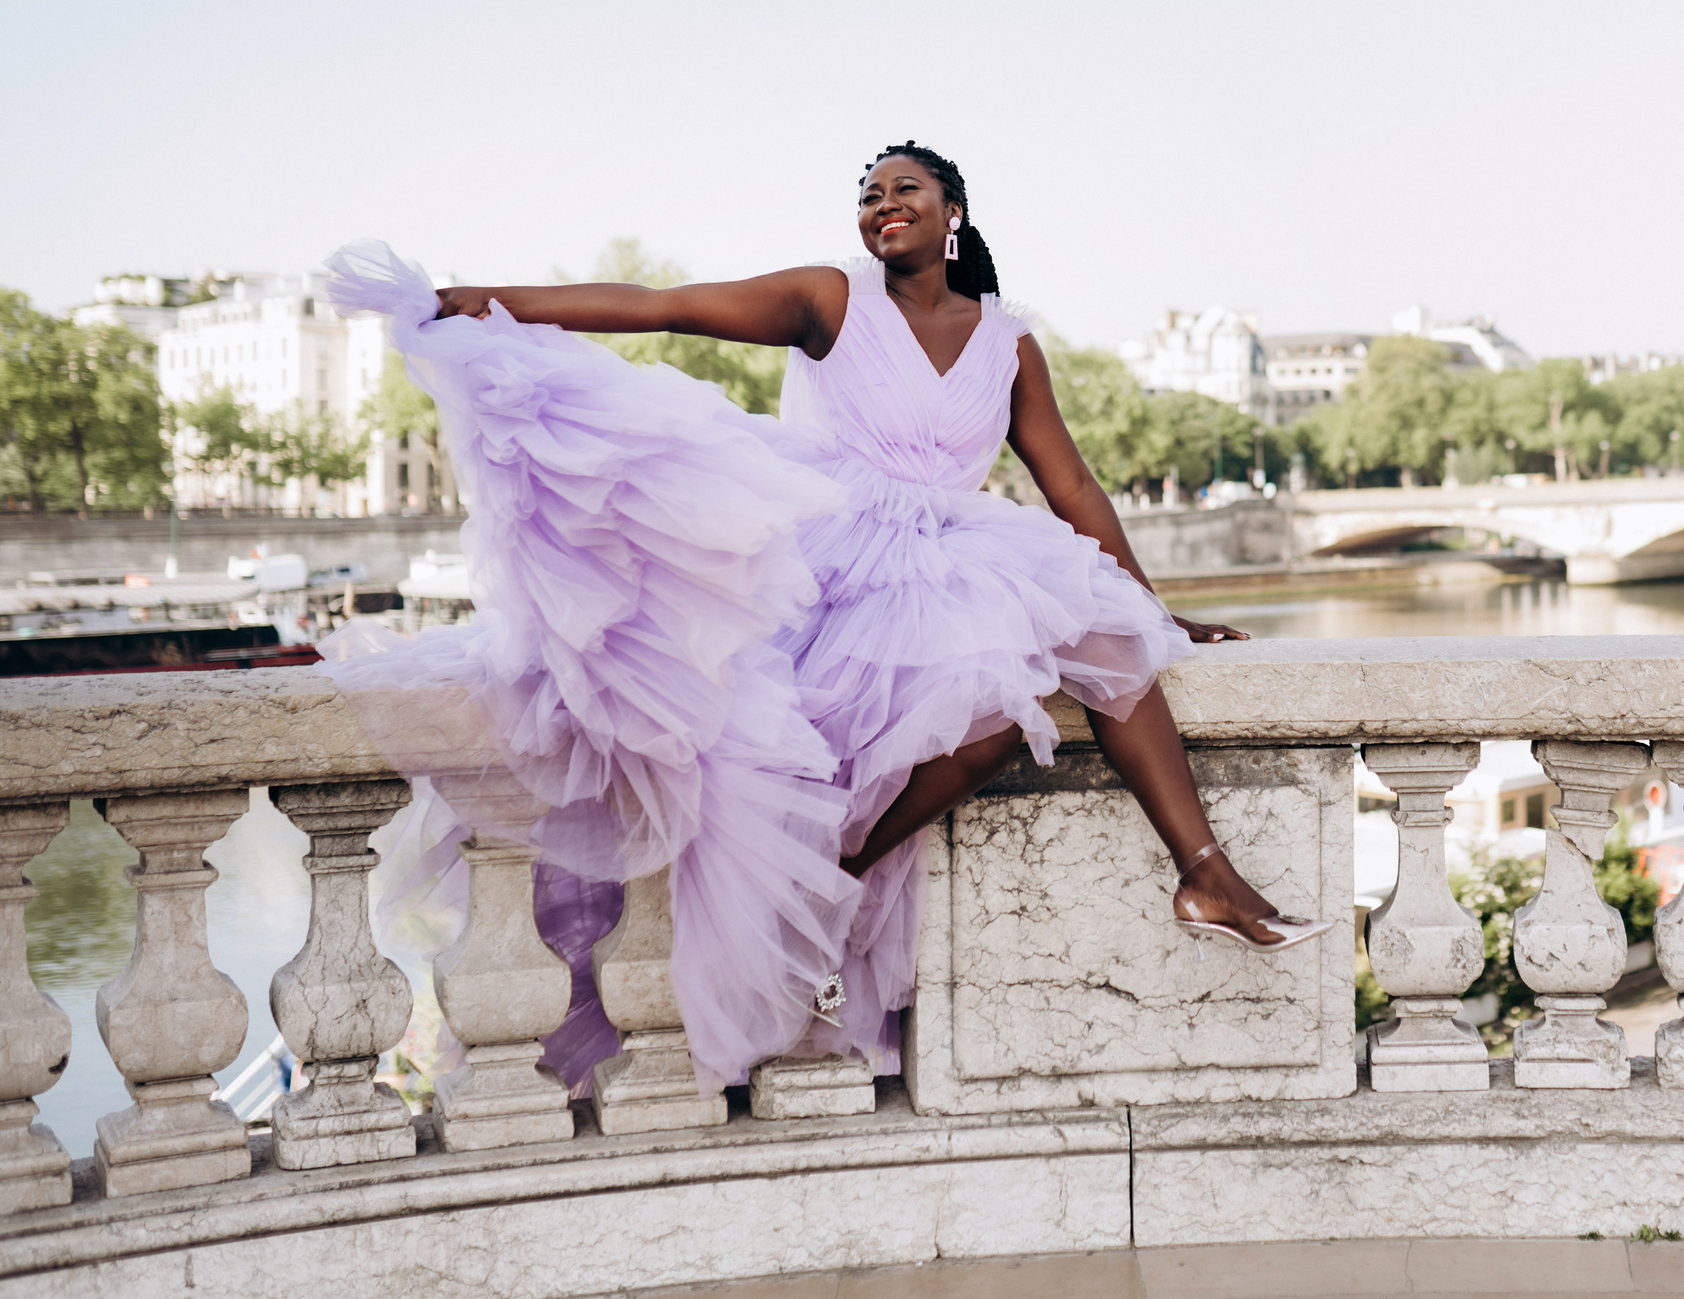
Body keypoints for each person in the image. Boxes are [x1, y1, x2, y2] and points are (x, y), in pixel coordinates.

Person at [324, 142, 1317, 1092]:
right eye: (868, 192)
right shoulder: (829, 297)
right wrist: (480, 303)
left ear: (953, 216)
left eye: (905, 189)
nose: (882, 202)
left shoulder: (1009, 343)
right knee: (973, 724)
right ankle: (810, 885)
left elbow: (1073, 487)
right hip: (828, 554)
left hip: (957, 554)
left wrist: (1154, 608)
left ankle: (1205, 876)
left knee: (1104, 644)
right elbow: (662, 307)